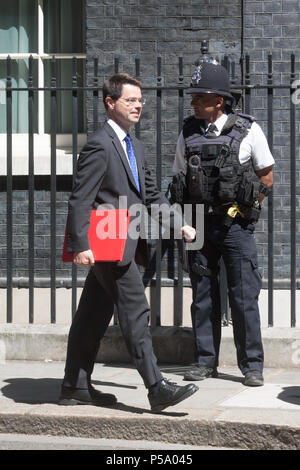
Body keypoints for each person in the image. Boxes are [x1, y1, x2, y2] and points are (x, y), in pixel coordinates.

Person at [59, 73, 199, 413]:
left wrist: (179, 224)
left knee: (93, 315)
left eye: (140, 100)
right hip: (106, 242)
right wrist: (80, 245)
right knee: (136, 311)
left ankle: (74, 385)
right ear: (111, 103)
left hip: (126, 238)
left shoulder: (135, 146)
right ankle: (156, 388)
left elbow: (150, 195)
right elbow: (80, 199)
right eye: (131, 100)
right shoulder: (99, 144)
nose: (138, 106)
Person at [172, 61, 274, 387]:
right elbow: (177, 180)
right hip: (199, 225)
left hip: (236, 228)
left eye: (199, 98)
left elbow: (267, 177)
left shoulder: (248, 130)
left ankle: (252, 366)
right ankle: (205, 362)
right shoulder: (187, 132)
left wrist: (243, 210)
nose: (193, 103)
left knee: (244, 297)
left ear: (218, 101)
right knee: (202, 296)